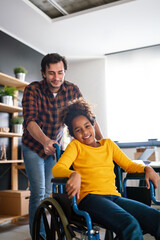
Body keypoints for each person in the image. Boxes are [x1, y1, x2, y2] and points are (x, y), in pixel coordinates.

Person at [52, 98, 160, 240]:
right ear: (73, 135)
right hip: (89, 199)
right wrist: (73, 174)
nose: (85, 132)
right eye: (78, 130)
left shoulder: (109, 145)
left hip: (114, 197)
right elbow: (58, 168)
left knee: (156, 218)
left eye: (87, 126)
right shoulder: (75, 146)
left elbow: (128, 165)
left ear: (93, 125)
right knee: (130, 224)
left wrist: (147, 169)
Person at [22, 53, 103, 238]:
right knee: (38, 191)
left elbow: (89, 117)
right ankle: (39, 235)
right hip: (33, 146)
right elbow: (30, 121)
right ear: (43, 73)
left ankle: (50, 230)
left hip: (55, 148)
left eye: (60, 72)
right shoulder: (32, 89)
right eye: (51, 73)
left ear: (64, 71)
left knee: (50, 192)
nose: (56, 78)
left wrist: (102, 142)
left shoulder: (72, 90)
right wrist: (44, 141)